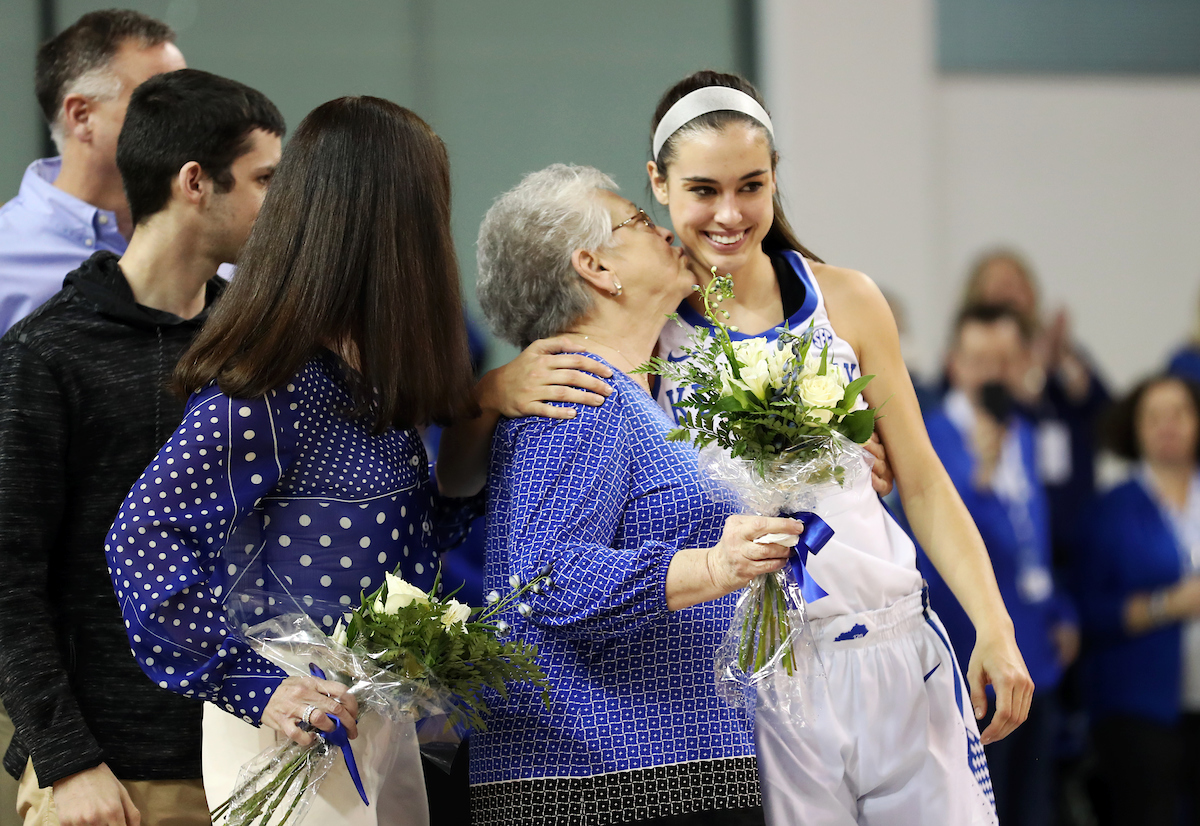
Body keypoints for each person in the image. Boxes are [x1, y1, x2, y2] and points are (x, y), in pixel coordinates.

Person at [103, 95, 521, 826]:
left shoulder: (364, 381)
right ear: (388, 229)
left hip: (372, 718)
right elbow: (141, 537)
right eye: (427, 212)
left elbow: (418, 543)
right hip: (296, 732)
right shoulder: (274, 390)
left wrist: (484, 408)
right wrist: (257, 685)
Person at [644, 70, 1031, 824]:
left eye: (751, 185)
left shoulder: (848, 299)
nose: (729, 213)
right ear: (659, 184)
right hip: (759, 683)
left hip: (893, 649)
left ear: (776, 179)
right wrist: (499, 390)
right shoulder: (646, 331)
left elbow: (920, 480)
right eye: (702, 190)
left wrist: (995, 623)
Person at [461, 163, 803, 826]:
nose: (667, 228)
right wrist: (713, 566)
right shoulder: (578, 395)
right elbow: (546, 577)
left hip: (671, 765)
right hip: (605, 779)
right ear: (596, 267)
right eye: (640, 221)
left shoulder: (638, 394)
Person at [0, 68, 282, 826]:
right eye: (264, 179)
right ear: (196, 182)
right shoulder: (48, 354)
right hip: (111, 781)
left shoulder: (257, 351)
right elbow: (8, 581)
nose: (282, 205)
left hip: (256, 758)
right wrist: (68, 761)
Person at [921, 304, 1079, 826]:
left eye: (1007, 360)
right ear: (954, 364)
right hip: (971, 658)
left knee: (1036, 806)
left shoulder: (1026, 434)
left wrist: (1062, 611)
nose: (994, 373)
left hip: (1036, 655)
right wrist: (980, 475)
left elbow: (1035, 538)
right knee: (980, 809)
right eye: (980, 360)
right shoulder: (930, 437)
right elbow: (934, 546)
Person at [0, 9, 186, 335]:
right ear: (82, 116)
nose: (189, 119)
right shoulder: (7, 259)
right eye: (158, 100)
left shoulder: (215, 243)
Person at [1079, 375, 1200, 826]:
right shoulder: (1111, 510)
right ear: (1135, 428)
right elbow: (1088, 612)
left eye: (1179, 414)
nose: (1168, 426)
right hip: (1139, 706)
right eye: (1154, 416)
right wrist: (1165, 606)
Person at [959, 249, 1110, 563]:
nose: (1009, 293)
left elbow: (1106, 415)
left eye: (1018, 283)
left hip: (1076, 519)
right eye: (998, 284)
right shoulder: (969, 364)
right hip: (1005, 534)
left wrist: (1064, 360)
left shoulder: (1060, 351)